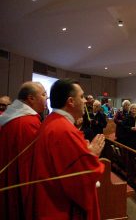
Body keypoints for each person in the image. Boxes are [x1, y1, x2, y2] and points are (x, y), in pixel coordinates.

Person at [27, 78, 106, 219]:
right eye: (81, 96)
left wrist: (83, 151)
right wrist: (91, 154)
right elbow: (78, 181)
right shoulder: (64, 130)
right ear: (70, 101)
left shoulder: (52, 121)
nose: (85, 101)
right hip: (59, 208)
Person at [0, 82, 47, 219]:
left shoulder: (11, 116)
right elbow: (32, 165)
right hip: (20, 186)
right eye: (44, 94)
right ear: (31, 98)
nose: (46, 99)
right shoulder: (28, 122)